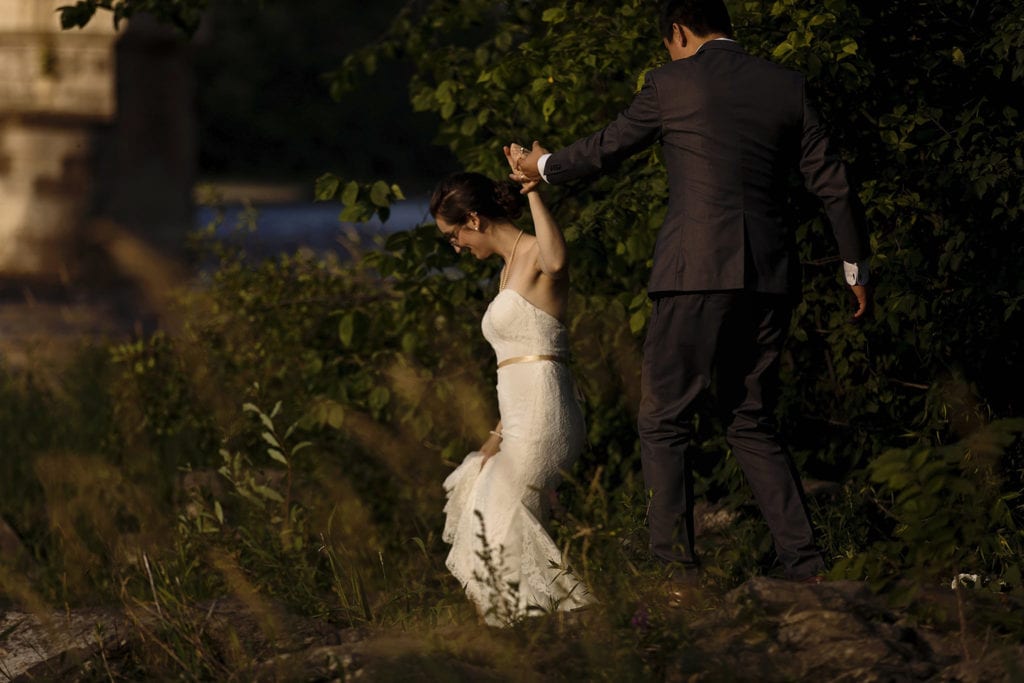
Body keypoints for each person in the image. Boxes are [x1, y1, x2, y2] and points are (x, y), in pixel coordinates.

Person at [510, 0, 871, 583]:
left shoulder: (672, 82)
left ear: (677, 32)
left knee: (664, 420)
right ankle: (806, 565)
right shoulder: (787, 85)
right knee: (750, 416)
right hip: (772, 276)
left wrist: (541, 164)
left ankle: (676, 573)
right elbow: (834, 184)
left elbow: (607, 147)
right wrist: (855, 267)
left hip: (694, 274)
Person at [435, 158, 592, 625]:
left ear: (475, 220)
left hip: (547, 417)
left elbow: (559, 260)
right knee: (485, 503)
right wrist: (497, 434)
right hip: (520, 420)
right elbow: (515, 365)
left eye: (454, 234)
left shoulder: (536, 256)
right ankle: (536, 627)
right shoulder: (507, 269)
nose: (457, 246)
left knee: (497, 519)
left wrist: (533, 188)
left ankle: (549, 624)